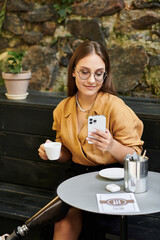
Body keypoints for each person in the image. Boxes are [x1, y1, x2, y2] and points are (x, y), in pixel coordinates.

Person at [38, 40, 144, 240]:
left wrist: (112, 145)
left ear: (105, 74)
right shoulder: (63, 108)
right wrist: (53, 152)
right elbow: (67, 154)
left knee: (89, 223)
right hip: (76, 176)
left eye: (98, 73)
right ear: (73, 71)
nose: (92, 80)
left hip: (110, 178)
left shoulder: (115, 106)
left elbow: (135, 157)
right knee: (62, 220)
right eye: (84, 72)